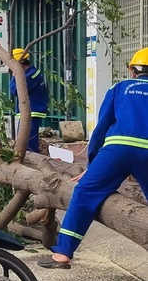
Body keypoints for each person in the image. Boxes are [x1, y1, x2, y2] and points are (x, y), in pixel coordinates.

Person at [38, 48, 148, 269]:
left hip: (116, 149)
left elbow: (101, 129)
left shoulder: (119, 88)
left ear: (133, 71)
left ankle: (63, 254)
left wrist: (92, 165)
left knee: (85, 193)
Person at [9, 48, 49, 153]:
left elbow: (14, 90)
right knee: (26, 139)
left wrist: (14, 77)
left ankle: (31, 159)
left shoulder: (30, 75)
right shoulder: (32, 73)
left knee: (28, 140)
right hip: (31, 111)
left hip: (32, 111)